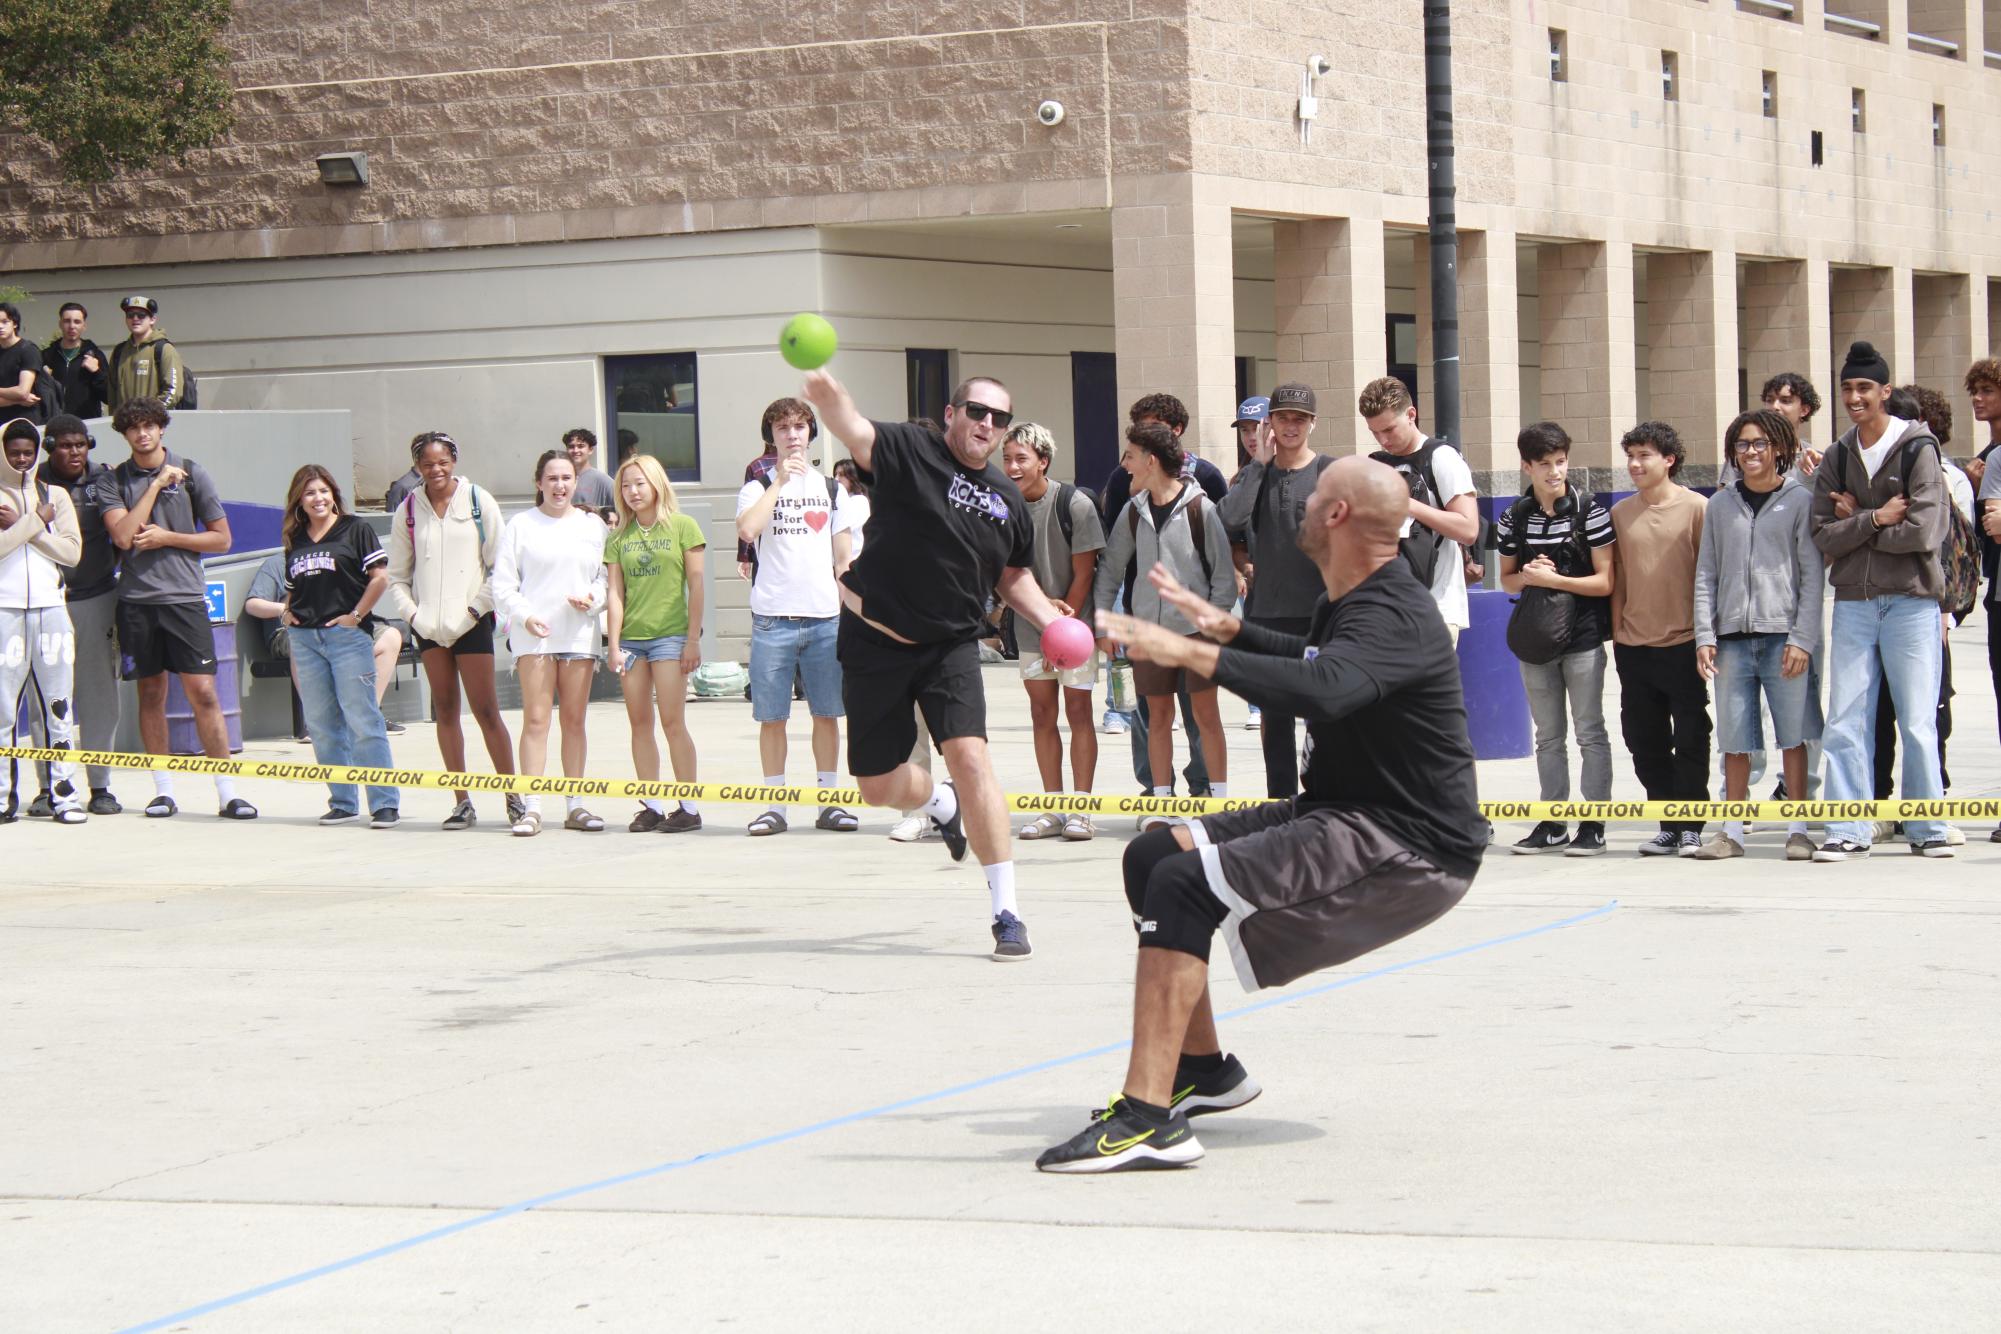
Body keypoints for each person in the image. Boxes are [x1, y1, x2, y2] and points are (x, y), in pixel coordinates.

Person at [1037, 457, 1482, 1173]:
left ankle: (1149, 1119)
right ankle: (1204, 1069)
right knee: (1153, 858)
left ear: (1335, 516)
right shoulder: (1351, 598)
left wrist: (1189, 651)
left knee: (1185, 885)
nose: (1298, 505)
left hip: (1407, 843)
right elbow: (1318, 656)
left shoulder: (1393, 608)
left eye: (1312, 497)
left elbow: (1328, 687)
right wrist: (1229, 630)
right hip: (1347, 810)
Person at [802, 371, 1066, 961]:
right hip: (876, 641)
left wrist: (1052, 622)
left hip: (950, 647)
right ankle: (939, 805)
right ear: (951, 413)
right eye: (977, 412)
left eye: (999, 418)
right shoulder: (909, 450)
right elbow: (855, 430)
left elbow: (1013, 575)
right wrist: (831, 399)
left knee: (972, 759)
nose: (987, 426)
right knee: (876, 786)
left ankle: (1007, 912)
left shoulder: (1006, 500)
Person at [1809, 341, 1952, 860]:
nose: (1854, 397)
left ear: (1885, 392)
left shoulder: (1919, 448)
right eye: (1847, 388)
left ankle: (1927, 827)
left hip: (1911, 600)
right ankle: (1848, 828)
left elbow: (1924, 531)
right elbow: (1822, 536)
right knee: (1844, 718)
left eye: (1864, 387)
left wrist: (1857, 522)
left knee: (1916, 719)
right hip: (1852, 600)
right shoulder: (1838, 454)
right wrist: (1875, 517)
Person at [94, 397, 254, 819]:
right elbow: (125, 537)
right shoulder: (114, 480)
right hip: (137, 602)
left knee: (203, 692)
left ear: (162, 428)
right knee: (151, 693)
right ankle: (163, 791)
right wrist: (154, 485)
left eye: (149, 425)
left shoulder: (193, 472)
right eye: (133, 427)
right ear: (125, 434)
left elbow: (222, 540)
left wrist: (169, 538)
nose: (142, 433)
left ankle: (227, 792)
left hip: (184, 599)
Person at [1691, 410, 1823, 861]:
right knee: (1734, 737)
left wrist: (1803, 638)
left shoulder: (1799, 501)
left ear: (1781, 449)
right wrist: (1704, 635)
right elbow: (1706, 572)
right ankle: (1732, 832)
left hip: (1783, 635)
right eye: (1743, 445)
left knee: (1794, 734)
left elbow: (1811, 576)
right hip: (1731, 638)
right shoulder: (1720, 505)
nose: (1751, 452)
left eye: (1761, 444)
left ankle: (1799, 829)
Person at [1095, 421, 1236, 829]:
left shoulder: (1201, 508)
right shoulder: (1131, 511)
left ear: (1151, 460)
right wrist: (1103, 624)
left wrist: (1210, 630)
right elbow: (1110, 570)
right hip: (1149, 635)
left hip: (1196, 636)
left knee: (1206, 717)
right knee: (1156, 719)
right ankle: (1161, 803)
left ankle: (1218, 804)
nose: (1125, 465)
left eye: (1130, 456)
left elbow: (1224, 579)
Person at [384, 431, 519, 831]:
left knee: (487, 711)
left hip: (472, 623)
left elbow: (501, 567)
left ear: (454, 461)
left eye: (442, 462)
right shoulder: (408, 509)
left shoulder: (479, 501)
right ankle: (461, 800)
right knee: (444, 710)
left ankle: (513, 794)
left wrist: (475, 610)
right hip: (429, 628)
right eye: (427, 464)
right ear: (417, 467)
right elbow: (396, 576)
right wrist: (414, 616)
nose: (436, 470)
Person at [734, 397, 857, 836]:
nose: (792, 435)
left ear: (811, 433)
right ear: (771, 436)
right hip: (773, 619)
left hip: (824, 618)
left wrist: (848, 603)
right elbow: (748, 530)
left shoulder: (831, 489)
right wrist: (779, 483)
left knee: (826, 713)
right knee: (772, 717)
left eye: (799, 427)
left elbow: (842, 555)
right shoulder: (757, 485)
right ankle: (776, 806)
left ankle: (829, 803)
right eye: (782, 428)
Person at [1496, 421, 1617, 856]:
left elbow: (1605, 582)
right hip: (1535, 639)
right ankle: (1553, 821)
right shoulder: (1514, 516)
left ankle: (1595, 822)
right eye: (1544, 464)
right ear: (1527, 466)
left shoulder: (1592, 512)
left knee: (1590, 732)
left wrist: (1557, 579)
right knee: (1548, 736)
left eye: (1560, 462)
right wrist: (1529, 577)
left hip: (1583, 639)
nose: (1554, 472)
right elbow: (1508, 581)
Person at [1865, 385, 1970, 847]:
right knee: (1876, 711)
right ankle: (1879, 804)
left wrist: (1947, 613)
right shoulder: (1865, 472)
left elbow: (1952, 550)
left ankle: (1928, 804)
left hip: (1926, 608)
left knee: (1927, 714)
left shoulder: (1946, 479)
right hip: (1869, 605)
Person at [1218, 385, 1333, 798]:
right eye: (1282, 418)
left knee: (1324, 716)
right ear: (1270, 425)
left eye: (1299, 419)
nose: (1290, 426)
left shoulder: (1329, 473)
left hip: (1320, 615)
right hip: (1266, 615)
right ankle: (1281, 801)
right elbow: (1227, 518)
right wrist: (1258, 465)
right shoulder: (1252, 476)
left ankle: (1324, 798)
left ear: (1312, 423)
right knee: (1275, 717)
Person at [276, 464, 400, 828]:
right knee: (321, 724)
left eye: (323, 491)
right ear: (299, 500)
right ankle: (343, 801)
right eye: (309, 492)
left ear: (334, 494)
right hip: (305, 639)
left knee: (363, 719)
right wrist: (286, 613)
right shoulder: (295, 538)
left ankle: (384, 804)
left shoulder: (355, 529)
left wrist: (356, 615)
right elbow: (292, 586)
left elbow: (380, 579)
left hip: (346, 636)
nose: (317, 498)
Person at [491, 450, 607, 836]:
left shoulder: (593, 525)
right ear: (539, 482)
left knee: (574, 720)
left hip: (578, 633)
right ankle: (533, 806)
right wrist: (525, 615)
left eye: (567, 478)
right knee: (537, 720)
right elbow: (503, 584)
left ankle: (575, 804)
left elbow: (606, 579)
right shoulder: (521, 525)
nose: (560, 486)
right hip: (534, 637)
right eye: (552, 478)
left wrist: (593, 599)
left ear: (576, 482)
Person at [1610, 421, 1710, 856]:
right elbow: (1618, 581)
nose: (1635, 464)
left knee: (1690, 736)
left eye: (1644, 455)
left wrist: (1707, 637)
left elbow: (1709, 578)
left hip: (1684, 643)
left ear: (1669, 460)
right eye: (1630, 455)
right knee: (1643, 739)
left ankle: (1691, 824)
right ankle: (1667, 821)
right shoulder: (1620, 513)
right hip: (1634, 646)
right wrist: (1618, 635)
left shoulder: (1698, 508)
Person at [1000, 421, 1104, 840]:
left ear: (1043, 461)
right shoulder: (1001, 507)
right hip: (1029, 626)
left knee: (1079, 712)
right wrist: (1042, 617)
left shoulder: (1075, 504)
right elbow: (1005, 572)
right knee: (1042, 714)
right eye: (1006, 459)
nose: (1011, 467)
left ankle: (1081, 808)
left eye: (1021, 459)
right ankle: (1053, 806)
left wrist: (1061, 627)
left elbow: (1085, 573)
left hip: (1075, 625)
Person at [606, 452, 706, 833]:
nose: (632, 491)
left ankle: (689, 807)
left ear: (656, 483)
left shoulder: (683, 526)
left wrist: (692, 640)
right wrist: (613, 644)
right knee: (639, 723)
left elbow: (696, 586)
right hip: (632, 641)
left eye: (639, 483)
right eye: (626, 486)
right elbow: (615, 594)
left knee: (672, 721)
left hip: (670, 637)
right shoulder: (618, 538)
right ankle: (650, 804)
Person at [35, 415, 122, 814]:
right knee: (47, 698)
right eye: (66, 446)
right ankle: (48, 787)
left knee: (98, 695)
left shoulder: (105, 480)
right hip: (45, 601)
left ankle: (100, 786)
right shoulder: (30, 483)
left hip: (97, 597)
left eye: (81, 445)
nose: (75, 452)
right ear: (50, 447)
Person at [0, 418, 85, 824]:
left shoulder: (56, 496)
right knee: (2, 711)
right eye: (13, 452)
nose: (20, 459)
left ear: (37, 454)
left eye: (27, 452)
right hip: (4, 610)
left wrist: (24, 527)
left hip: (52, 610)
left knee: (59, 706)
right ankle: (1, 800)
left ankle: (65, 797)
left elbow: (71, 554)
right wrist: (36, 520)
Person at [1359, 376, 1480, 644]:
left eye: (1389, 430)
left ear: (1411, 414)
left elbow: (1469, 529)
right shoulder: (1377, 464)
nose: (1383, 440)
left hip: (1434, 610)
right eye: (1374, 432)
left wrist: (1409, 505)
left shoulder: (1442, 458)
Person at [107, 296, 188, 412]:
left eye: (141, 315)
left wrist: (150, 416)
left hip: (154, 425)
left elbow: (173, 391)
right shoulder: (119, 351)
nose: (135, 319)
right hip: (126, 426)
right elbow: (112, 393)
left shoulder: (164, 349)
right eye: (130, 315)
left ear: (152, 319)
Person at [40, 304, 109, 421]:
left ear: (84, 326)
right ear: (60, 324)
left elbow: (107, 396)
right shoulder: (47, 356)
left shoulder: (95, 355)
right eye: (67, 321)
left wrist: (96, 372)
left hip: (87, 424)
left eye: (77, 322)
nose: (72, 326)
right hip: (55, 423)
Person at [0, 305, 44, 424]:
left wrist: (19, 397)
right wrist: (16, 400)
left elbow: (22, 392)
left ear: (15, 324)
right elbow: (22, 397)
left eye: (5, 322)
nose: (0, 326)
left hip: (24, 420)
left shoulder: (27, 350)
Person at [564, 427, 619, 519]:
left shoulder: (604, 481)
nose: (575, 450)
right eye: (571, 446)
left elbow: (620, 511)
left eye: (581, 446)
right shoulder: (561, 479)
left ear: (590, 450)